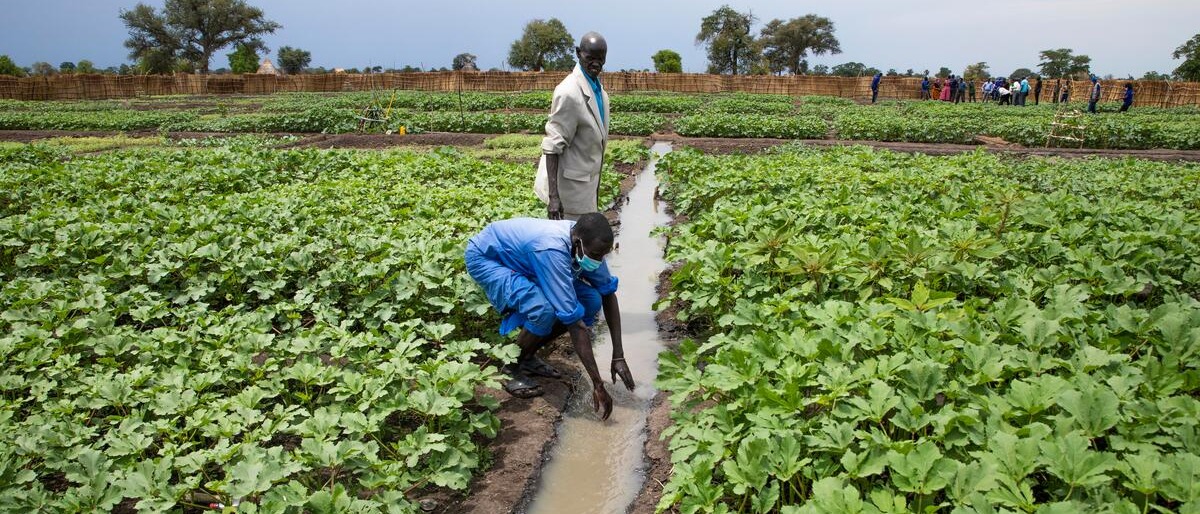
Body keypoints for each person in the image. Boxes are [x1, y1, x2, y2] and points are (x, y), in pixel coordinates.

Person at [464, 214, 634, 419]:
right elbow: (575, 324)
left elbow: (607, 292)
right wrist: (598, 384)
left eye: (603, 255)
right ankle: (511, 367)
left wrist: (618, 356)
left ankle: (526, 356)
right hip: (488, 257)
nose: (598, 260)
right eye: (596, 254)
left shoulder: (587, 244)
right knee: (543, 309)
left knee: (591, 301)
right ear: (578, 242)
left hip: (526, 259)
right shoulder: (551, 249)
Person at [544, 32, 610, 221]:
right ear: (578, 53)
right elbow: (552, 146)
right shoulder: (569, 92)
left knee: (581, 246)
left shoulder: (599, 91)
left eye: (600, 59)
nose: (596, 64)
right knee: (570, 246)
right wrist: (554, 198)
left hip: (586, 188)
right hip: (568, 196)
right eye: (590, 58)